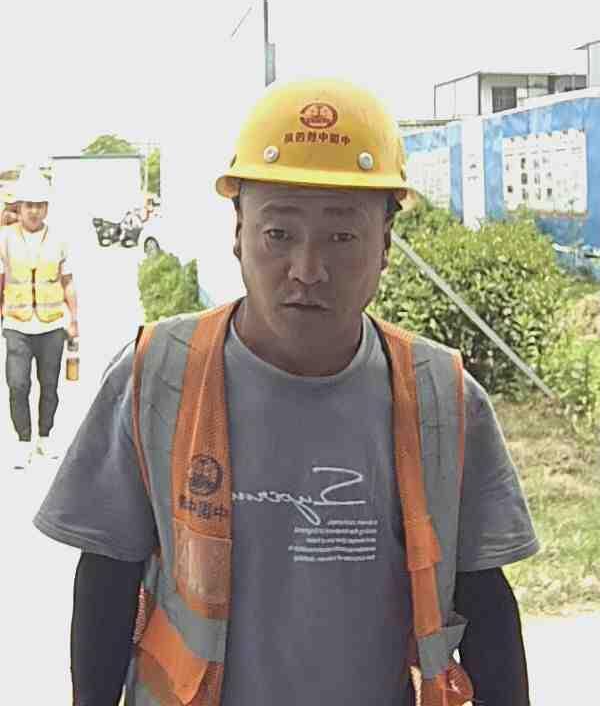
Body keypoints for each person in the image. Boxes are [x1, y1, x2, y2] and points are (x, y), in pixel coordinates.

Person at [34, 79, 538, 706]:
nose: (307, 269)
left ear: (385, 246)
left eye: (342, 237)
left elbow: (485, 599)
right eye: (278, 234)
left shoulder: (442, 398)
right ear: (238, 233)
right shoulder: (158, 375)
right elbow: (106, 578)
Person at [0, 169, 79, 468]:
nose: (34, 211)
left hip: (52, 324)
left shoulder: (59, 239)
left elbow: (68, 282)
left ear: (47, 208)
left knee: (49, 385)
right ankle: (24, 441)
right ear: (19, 207)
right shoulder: (4, 238)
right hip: (16, 323)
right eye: (28, 205)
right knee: (17, 384)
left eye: (39, 205)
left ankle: (45, 437)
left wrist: (74, 321)